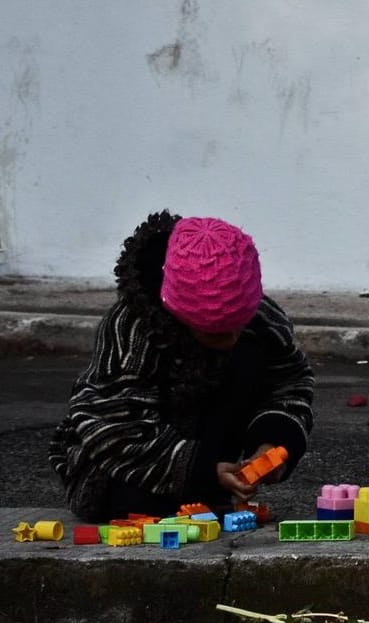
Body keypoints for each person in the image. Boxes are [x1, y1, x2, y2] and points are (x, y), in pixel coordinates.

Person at [47, 211, 315, 521]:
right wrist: (201, 469)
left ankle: (207, 486)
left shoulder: (260, 320)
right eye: (213, 333)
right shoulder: (131, 329)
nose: (230, 340)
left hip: (202, 450)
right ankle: (195, 484)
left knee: (251, 356)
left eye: (238, 326)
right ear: (176, 311)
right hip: (120, 461)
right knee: (132, 502)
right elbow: (114, 427)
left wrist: (273, 442)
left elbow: (290, 381)